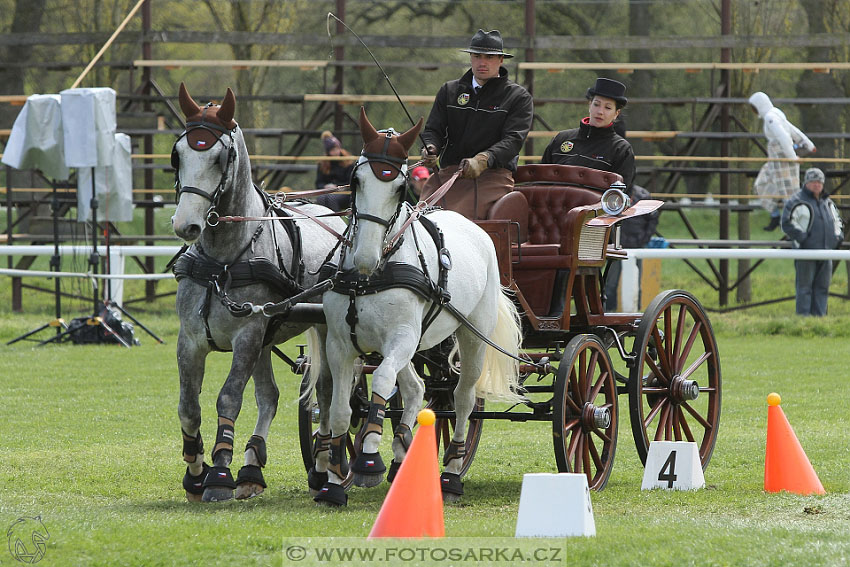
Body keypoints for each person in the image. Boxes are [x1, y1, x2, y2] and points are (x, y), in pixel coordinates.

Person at [419, 29, 534, 220]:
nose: (482, 62)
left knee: (456, 220)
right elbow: (433, 130)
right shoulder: (449, 91)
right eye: (477, 56)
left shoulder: (517, 97)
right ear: (471, 58)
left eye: (489, 57)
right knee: (417, 217)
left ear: (501, 60)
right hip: (449, 173)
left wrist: (483, 160)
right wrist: (430, 148)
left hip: (493, 177)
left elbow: (513, 140)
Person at [541, 77, 635, 190]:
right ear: (589, 105)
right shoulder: (561, 139)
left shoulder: (621, 149)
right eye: (596, 104)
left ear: (616, 113)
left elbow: (620, 195)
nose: (600, 111)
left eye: (608, 107)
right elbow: (541, 180)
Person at [780, 167, 844, 316]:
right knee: (804, 288)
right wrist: (803, 239)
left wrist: (837, 239)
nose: (817, 185)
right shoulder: (795, 201)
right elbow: (787, 223)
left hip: (826, 252)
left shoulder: (828, 203)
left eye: (820, 182)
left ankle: (819, 320)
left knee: (822, 288)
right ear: (806, 183)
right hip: (805, 253)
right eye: (814, 182)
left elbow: (838, 222)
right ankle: (804, 320)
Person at [749, 91, 816, 231]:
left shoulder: (771, 117)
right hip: (775, 159)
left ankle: (797, 226)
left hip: (783, 158)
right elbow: (792, 130)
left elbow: (784, 137)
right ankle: (775, 216)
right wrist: (807, 144)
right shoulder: (775, 114)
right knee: (761, 184)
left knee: (789, 192)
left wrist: (792, 157)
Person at [315, 130, 355, 211]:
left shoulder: (348, 162)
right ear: (328, 152)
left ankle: (336, 222)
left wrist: (337, 187)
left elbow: (350, 182)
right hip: (328, 192)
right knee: (321, 199)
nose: (336, 152)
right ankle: (322, 222)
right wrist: (325, 186)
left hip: (345, 193)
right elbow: (318, 182)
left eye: (337, 149)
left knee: (331, 199)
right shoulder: (323, 164)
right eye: (333, 150)